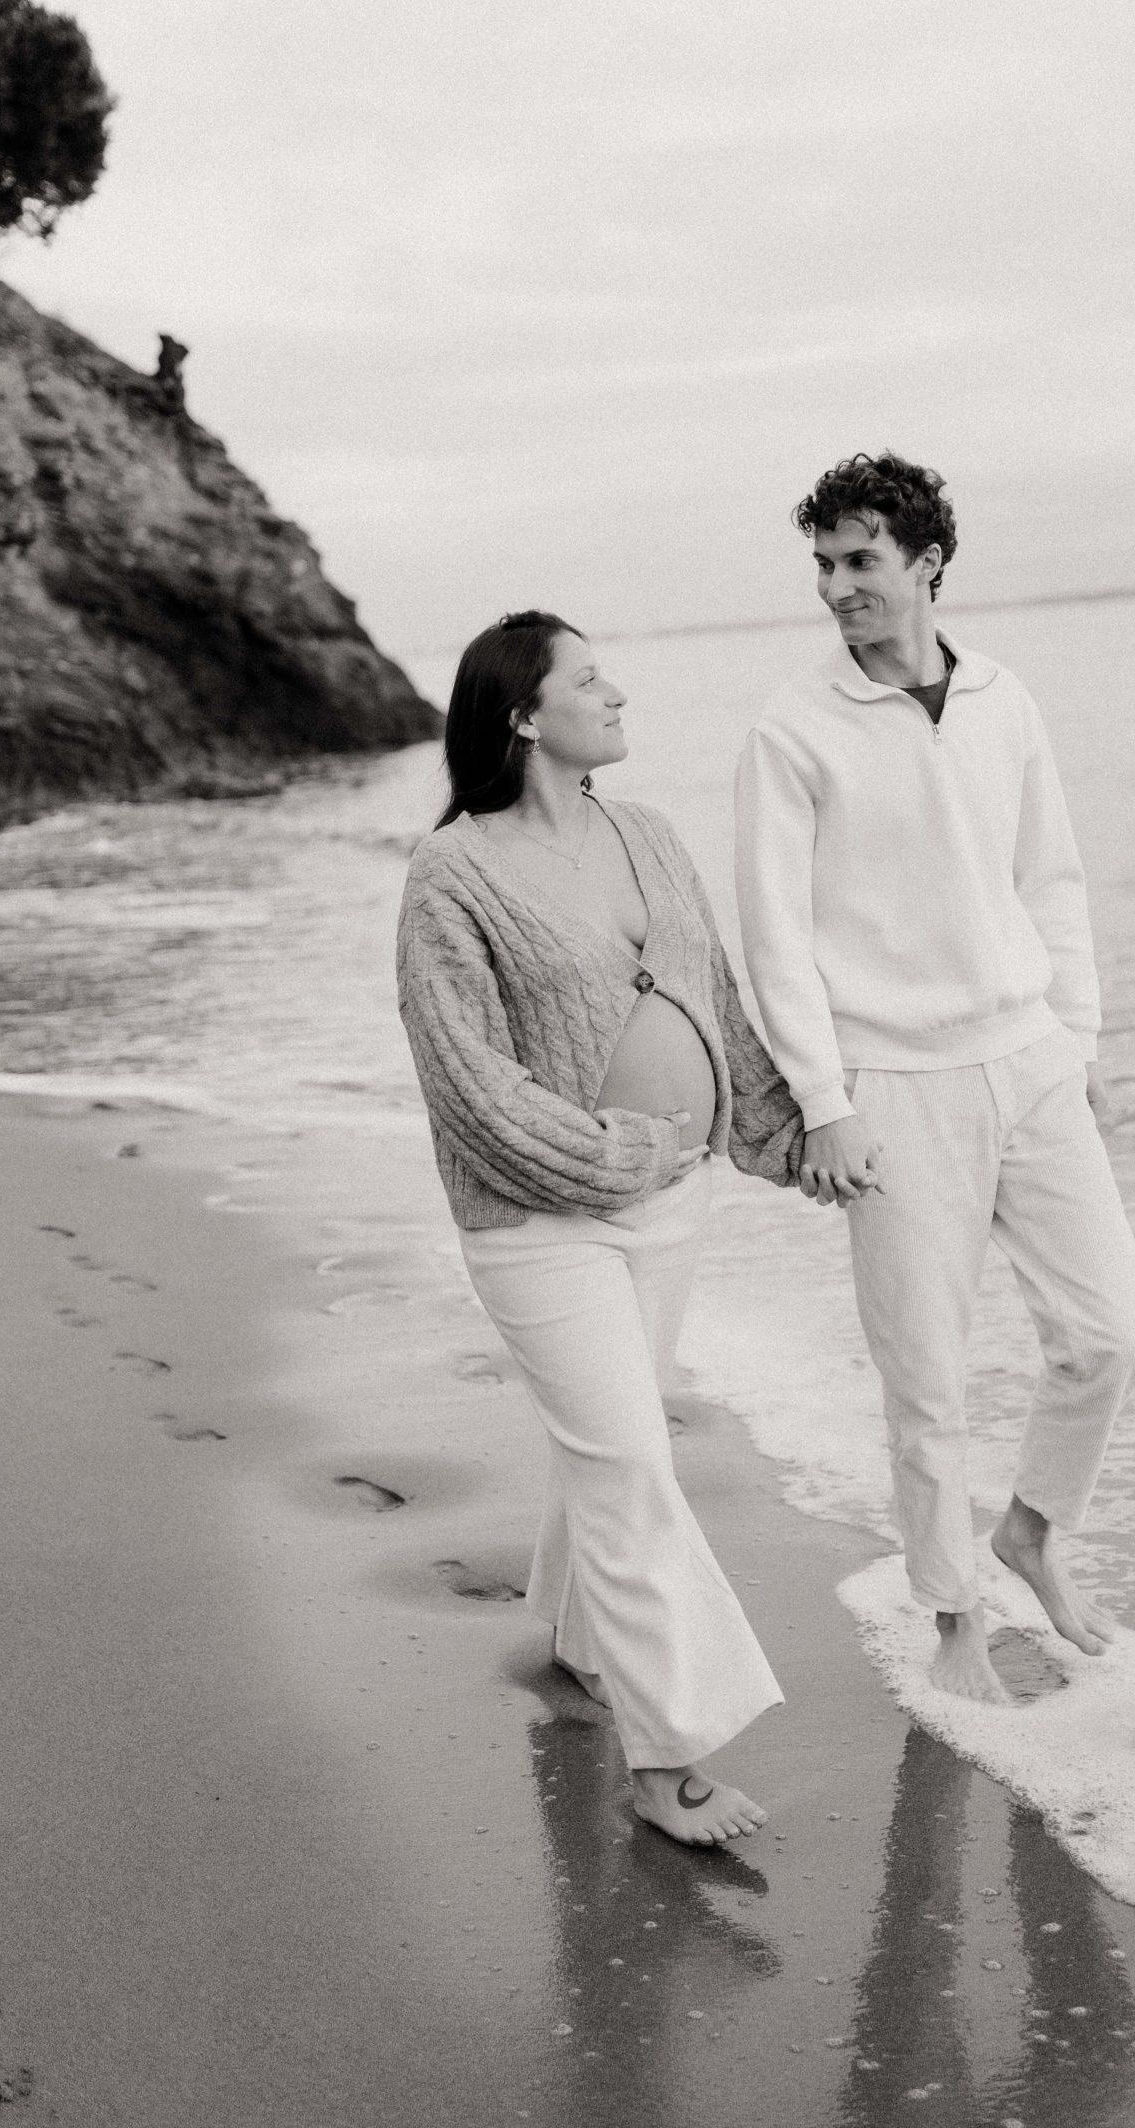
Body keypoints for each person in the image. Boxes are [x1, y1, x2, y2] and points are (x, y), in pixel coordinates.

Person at [734, 454, 1135, 1705]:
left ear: (927, 564)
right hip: (891, 1085)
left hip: (1029, 1061)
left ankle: (1032, 1530)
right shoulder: (791, 729)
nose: (836, 587)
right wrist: (825, 1104)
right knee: (925, 1375)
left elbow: (1052, 880)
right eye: (823, 564)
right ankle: (955, 1615)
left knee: (1113, 1330)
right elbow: (775, 939)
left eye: (860, 560)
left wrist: (1077, 1041)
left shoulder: (1003, 700)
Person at [397, 610, 808, 1844]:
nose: (617, 692)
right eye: (589, 678)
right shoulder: (452, 875)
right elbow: (470, 1086)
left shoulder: (651, 836)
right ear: (525, 715)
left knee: (611, 1441)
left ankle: (582, 1636)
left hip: (674, 1206)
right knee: (630, 1463)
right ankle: (667, 1754)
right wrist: (618, 1153)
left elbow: (717, 1005)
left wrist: (792, 1141)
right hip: (539, 1222)